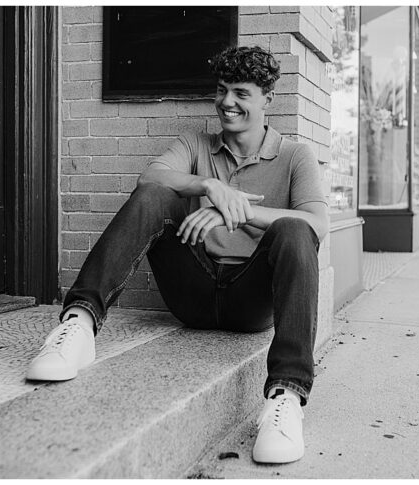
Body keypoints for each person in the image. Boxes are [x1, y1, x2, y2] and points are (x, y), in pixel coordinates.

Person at [25, 45, 328, 465]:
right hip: (194, 291)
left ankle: (286, 398)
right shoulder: (196, 143)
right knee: (154, 195)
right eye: (221, 90)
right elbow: (149, 176)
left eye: (241, 93)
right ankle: (79, 324)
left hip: (252, 300)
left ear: (267, 100)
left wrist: (236, 210)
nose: (227, 102)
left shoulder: (296, 156)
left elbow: (318, 225)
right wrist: (208, 187)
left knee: (295, 228)